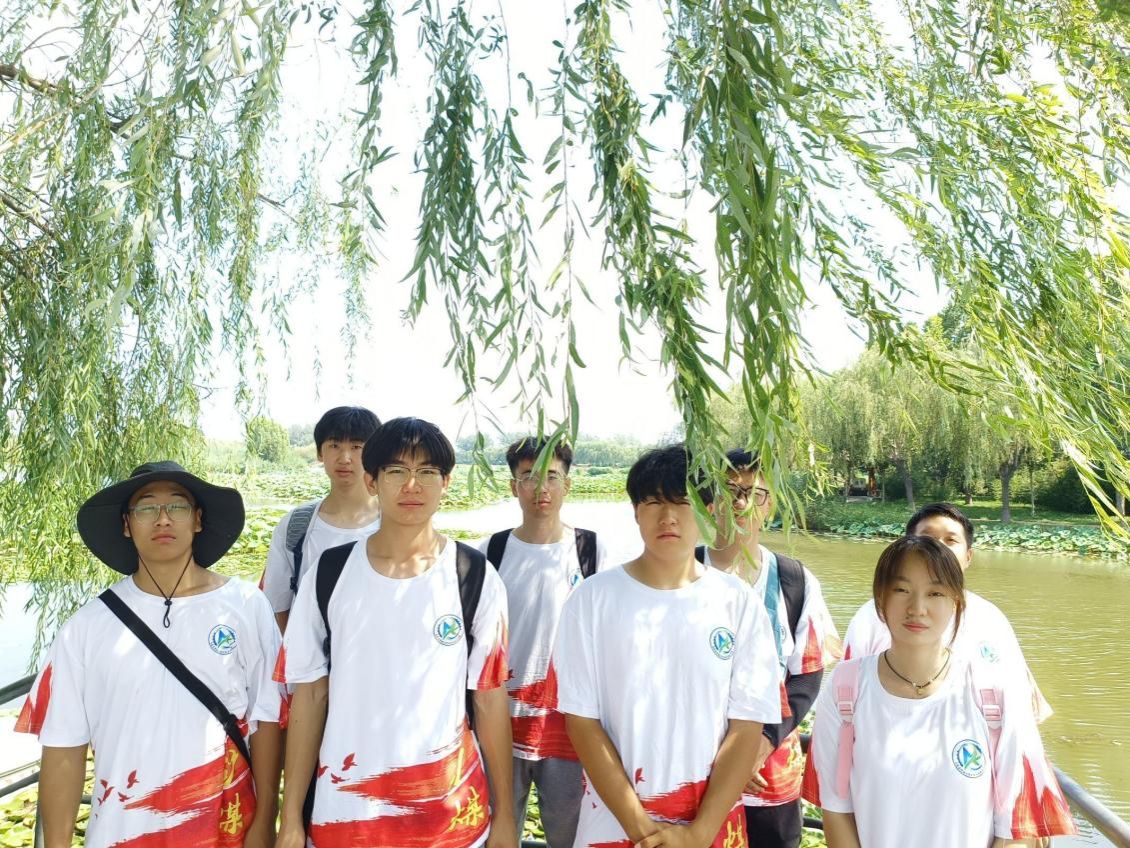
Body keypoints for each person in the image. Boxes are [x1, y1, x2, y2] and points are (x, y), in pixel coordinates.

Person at [274, 417, 517, 848]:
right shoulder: (329, 574)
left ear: (446, 483)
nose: (412, 485)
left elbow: (489, 698)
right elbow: (309, 696)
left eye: (427, 472)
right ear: (371, 480)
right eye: (396, 471)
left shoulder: (474, 576)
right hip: (345, 816)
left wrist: (505, 818)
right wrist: (291, 816)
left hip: (450, 818)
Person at [16, 461, 284, 848]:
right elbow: (63, 747)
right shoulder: (86, 626)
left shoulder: (245, 606)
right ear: (126, 524)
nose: (162, 518)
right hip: (121, 833)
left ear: (197, 519)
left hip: (225, 831)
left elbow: (267, 719)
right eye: (146, 507)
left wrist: (265, 822)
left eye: (177, 505)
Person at [554, 444, 782, 848]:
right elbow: (582, 722)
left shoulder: (738, 603)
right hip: (612, 828)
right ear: (636, 511)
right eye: (654, 502)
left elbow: (747, 725)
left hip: (712, 828)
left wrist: (699, 833)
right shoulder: (590, 601)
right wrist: (643, 832)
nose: (668, 516)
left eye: (682, 502)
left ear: (707, 510)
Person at [803, 535, 1075, 847]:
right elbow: (836, 808)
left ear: (956, 602)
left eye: (935, 593)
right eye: (902, 590)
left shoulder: (994, 690)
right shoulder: (845, 687)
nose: (917, 608)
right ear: (880, 598)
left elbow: (1015, 828)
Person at [699, 449, 840, 848]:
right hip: (695, 764)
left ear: (770, 505)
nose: (740, 502)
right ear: (709, 503)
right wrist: (723, 755)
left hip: (769, 769)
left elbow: (807, 676)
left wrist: (758, 747)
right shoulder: (681, 572)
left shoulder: (794, 580)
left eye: (753, 493)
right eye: (729, 491)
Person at [479, 436, 609, 848]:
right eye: (529, 477)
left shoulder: (592, 550)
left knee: (572, 838)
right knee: (497, 834)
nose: (541, 488)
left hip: (571, 730)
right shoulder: (490, 552)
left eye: (551, 476)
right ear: (513, 485)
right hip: (499, 726)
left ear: (567, 484)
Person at [841, 502, 1051, 721]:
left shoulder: (991, 619)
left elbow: (1019, 704)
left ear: (968, 556)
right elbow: (850, 690)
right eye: (927, 538)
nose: (938, 548)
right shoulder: (872, 615)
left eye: (951, 540)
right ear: (907, 547)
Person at [260, 406, 382, 632]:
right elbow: (277, 603)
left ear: (373, 453)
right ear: (319, 453)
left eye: (356, 447)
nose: (345, 458)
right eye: (334, 446)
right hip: (310, 651)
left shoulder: (395, 524)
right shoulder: (296, 525)